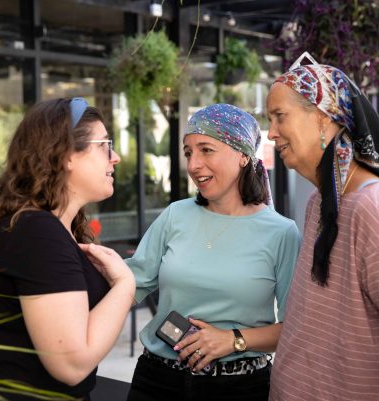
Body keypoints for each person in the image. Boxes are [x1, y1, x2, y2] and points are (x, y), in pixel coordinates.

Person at [125, 104, 301, 401]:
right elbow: (130, 285)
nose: (193, 165)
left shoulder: (282, 232)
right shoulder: (174, 215)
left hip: (240, 389)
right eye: (189, 153)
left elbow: (295, 328)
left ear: (244, 155)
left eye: (206, 150)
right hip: (156, 381)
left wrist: (233, 341)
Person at [0, 98, 135, 400]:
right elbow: (71, 364)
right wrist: (125, 286)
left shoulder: (35, 225)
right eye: (105, 145)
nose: (114, 157)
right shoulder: (35, 231)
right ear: (66, 155)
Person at [266, 52, 379, 401]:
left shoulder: (369, 209)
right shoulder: (320, 202)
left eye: (279, 117)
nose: (271, 133)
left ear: (323, 121)